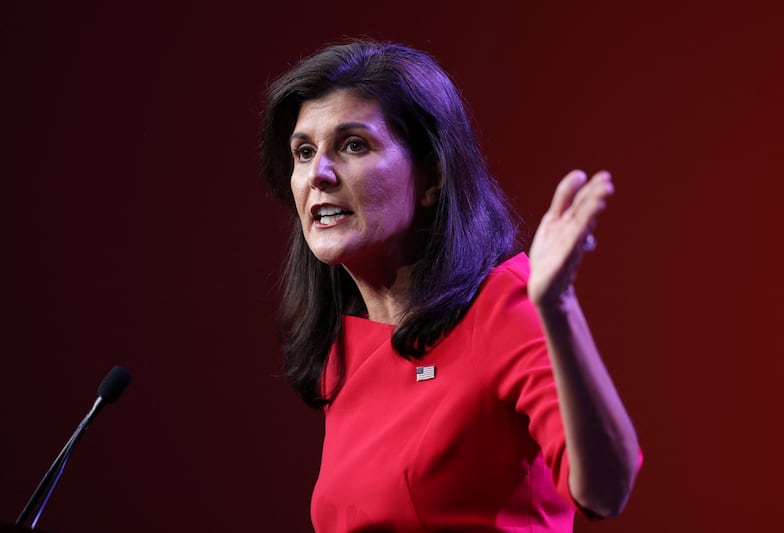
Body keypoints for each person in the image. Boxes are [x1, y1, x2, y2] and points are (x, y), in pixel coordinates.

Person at [261, 40, 641, 532]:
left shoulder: (503, 305)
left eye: (354, 144)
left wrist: (557, 307)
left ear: (432, 176)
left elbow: (606, 489)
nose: (320, 174)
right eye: (304, 152)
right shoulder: (345, 345)